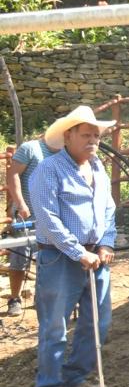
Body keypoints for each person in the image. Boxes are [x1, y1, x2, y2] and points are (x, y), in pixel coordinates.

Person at [29, 106, 117, 387]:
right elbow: (48, 219)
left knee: (98, 324)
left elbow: (108, 209)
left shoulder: (98, 167)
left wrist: (106, 242)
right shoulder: (48, 169)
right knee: (55, 325)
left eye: (96, 134)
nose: (93, 140)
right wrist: (78, 252)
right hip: (61, 258)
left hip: (96, 256)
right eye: (86, 134)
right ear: (68, 136)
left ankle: (75, 377)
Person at [5, 129, 59, 316]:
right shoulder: (30, 148)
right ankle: (15, 298)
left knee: (46, 257)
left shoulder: (64, 153)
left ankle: (41, 296)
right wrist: (20, 203)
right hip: (26, 215)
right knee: (20, 255)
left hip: (50, 216)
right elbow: (12, 175)